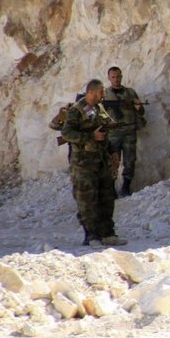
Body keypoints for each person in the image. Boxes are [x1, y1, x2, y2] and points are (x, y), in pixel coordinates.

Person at [60, 79, 128, 246]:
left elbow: (105, 132)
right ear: (91, 92)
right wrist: (90, 137)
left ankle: (107, 233)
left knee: (107, 197)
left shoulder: (98, 108)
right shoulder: (77, 110)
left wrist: (113, 152)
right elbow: (67, 133)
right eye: (101, 92)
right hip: (83, 162)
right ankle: (91, 235)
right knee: (87, 199)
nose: (103, 95)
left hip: (101, 160)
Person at [103, 66, 146, 197]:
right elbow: (98, 113)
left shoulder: (130, 93)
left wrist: (138, 107)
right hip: (113, 133)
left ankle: (126, 187)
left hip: (129, 132)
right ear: (109, 78)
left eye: (118, 76)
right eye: (113, 77)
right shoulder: (105, 94)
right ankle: (111, 189)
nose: (116, 79)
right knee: (113, 162)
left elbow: (141, 112)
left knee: (130, 160)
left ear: (121, 76)